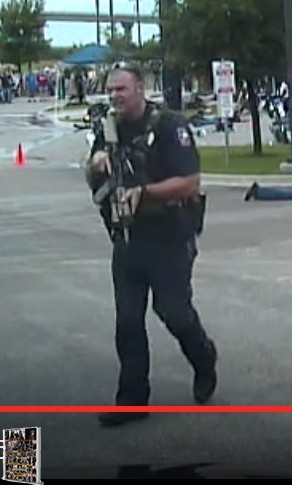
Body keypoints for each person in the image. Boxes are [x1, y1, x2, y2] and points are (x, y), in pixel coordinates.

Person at [85, 62, 217, 427]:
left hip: (169, 236)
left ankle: (204, 360)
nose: (115, 96)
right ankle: (131, 400)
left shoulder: (169, 126)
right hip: (127, 238)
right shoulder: (109, 130)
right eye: (111, 90)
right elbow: (95, 179)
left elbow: (189, 182)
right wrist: (95, 164)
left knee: (173, 312)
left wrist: (144, 193)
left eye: (122, 89)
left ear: (140, 89)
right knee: (128, 321)